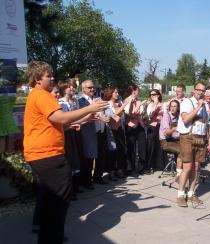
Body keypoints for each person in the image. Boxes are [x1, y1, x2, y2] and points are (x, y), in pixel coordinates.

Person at [23, 61, 107, 244]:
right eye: (48, 75)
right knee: (58, 200)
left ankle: (50, 236)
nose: (52, 78)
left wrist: (85, 117)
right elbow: (60, 117)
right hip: (47, 156)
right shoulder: (42, 95)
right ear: (37, 79)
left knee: (50, 200)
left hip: (42, 155)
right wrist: (90, 108)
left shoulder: (37, 95)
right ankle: (52, 237)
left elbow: (60, 123)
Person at [176, 81, 210, 207]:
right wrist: (198, 107)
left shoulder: (205, 106)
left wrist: (209, 141)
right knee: (187, 167)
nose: (201, 93)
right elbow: (186, 119)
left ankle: (191, 193)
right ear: (194, 90)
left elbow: (206, 125)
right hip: (187, 137)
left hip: (201, 139)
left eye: (203, 91)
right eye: (199, 90)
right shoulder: (187, 102)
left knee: (197, 168)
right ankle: (180, 195)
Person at [102, 86, 133, 178]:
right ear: (110, 93)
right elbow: (114, 115)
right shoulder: (107, 104)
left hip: (119, 128)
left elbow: (123, 114)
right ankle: (111, 171)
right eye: (115, 92)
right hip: (111, 130)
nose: (117, 94)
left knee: (121, 149)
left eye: (117, 92)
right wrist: (124, 105)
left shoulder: (118, 103)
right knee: (113, 151)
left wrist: (128, 105)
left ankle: (120, 170)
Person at [124, 84, 147, 175]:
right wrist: (138, 107)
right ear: (132, 92)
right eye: (136, 91)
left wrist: (142, 109)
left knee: (142, 146)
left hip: (139, 125)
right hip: (130, 126)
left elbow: (140, 113)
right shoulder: (126, 101)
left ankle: (142, 167)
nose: (138, 93)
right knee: (131, 147)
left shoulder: (138, 101)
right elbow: (129, 114)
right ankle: (130, 167)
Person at [159, 99, 182, 181]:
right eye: (171, 106)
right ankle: (179, 175)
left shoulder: (179, 115)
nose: (172, 108)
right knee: (181, 150)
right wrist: (175, 128)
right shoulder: (166, 116)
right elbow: (166, 133)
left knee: (188, 147)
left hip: (175, 139)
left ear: (178, 108)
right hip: (165, 142)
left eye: (175, 106)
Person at [145, 89, 164, 171]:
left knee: (159, 146)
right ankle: (148, 165)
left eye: (154, 94)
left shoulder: (163, 104)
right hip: (152, 127)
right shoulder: (150, 105)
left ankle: (158, 165)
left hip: (161, 126)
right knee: (150, 146)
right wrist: (155, 105)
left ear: (158, 95)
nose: (152, 96)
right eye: (151, 95)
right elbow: (150, 115)